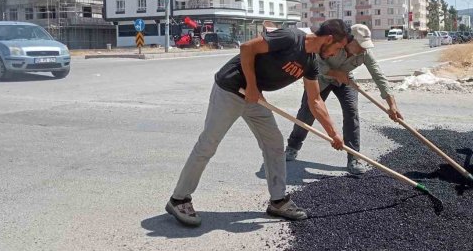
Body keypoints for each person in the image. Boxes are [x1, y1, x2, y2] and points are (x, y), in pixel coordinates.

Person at [165, 19, 350, 227]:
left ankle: (278, 201)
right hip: (231, 89)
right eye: (338, 47)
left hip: (255, 98)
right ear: (329, 39)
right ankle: (179, 199)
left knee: (274, 144)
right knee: (208, 144)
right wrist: (252, 86)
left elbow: (315, 100)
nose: (336, 54)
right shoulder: (290, 37)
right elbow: (247, 48)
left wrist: (334, 134)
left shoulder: (310, 62)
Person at [284, 24, 403, 174]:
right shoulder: (333, 44)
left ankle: (354, 157)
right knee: (307, 112)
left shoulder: (364, 53)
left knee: (351, 112)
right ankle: (293, 146)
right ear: (349, 40)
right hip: (320, 80)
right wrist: (333, 72)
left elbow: (378, 75)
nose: (363, 49)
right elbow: (314, 63)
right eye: (360, 45)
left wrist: (391, 104)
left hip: (345, 81)